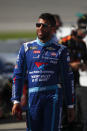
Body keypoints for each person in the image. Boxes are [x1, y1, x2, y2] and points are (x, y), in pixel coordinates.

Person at [11, 13, 75, 131]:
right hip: (33, 97)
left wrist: (70, 105)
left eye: (44, 25)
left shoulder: (61, 50)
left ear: (52, 29)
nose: (40, 28)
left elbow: (68, 78)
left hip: (53, 96)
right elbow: (18, 76)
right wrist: (16, 100)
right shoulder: (26, 48)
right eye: (38, 24)